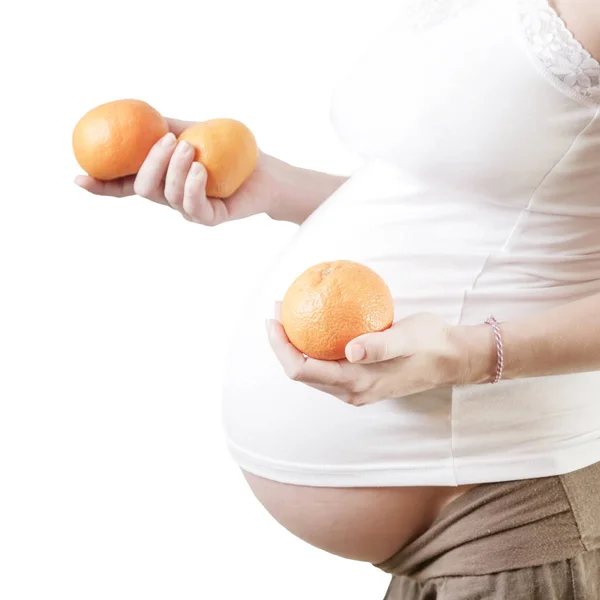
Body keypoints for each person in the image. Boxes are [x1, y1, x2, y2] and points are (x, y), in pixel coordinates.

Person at [75, 0, 600, 597]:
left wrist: (470, 354)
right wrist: (276, 188)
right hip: (459, 531)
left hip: (507, 515)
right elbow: (448, 193)